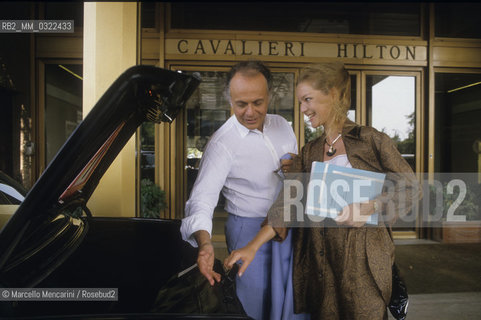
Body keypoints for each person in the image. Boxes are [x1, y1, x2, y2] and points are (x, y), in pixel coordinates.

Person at [224, 62, 422, 319]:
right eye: (301, 101)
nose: (303, 109)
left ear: (334, 95)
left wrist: (369, 207)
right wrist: (251, 246)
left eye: (308, 100)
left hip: (363, 267)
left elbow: (411, 187)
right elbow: (286, 206)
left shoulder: (371, 140)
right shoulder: (310, 152)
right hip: (321, 268)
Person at [180, 60, 304, 320]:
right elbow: (202, 199)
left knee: (289, 302)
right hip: (248, 229)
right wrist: (205, 243)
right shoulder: (222, 143)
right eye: (241, 104)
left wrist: (295, 168)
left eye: (257, 102)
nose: (249, 111)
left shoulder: (283, 125)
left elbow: (296, 177)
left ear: (269, 96)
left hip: (288, 226)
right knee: (253, 307)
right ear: (230, 100)